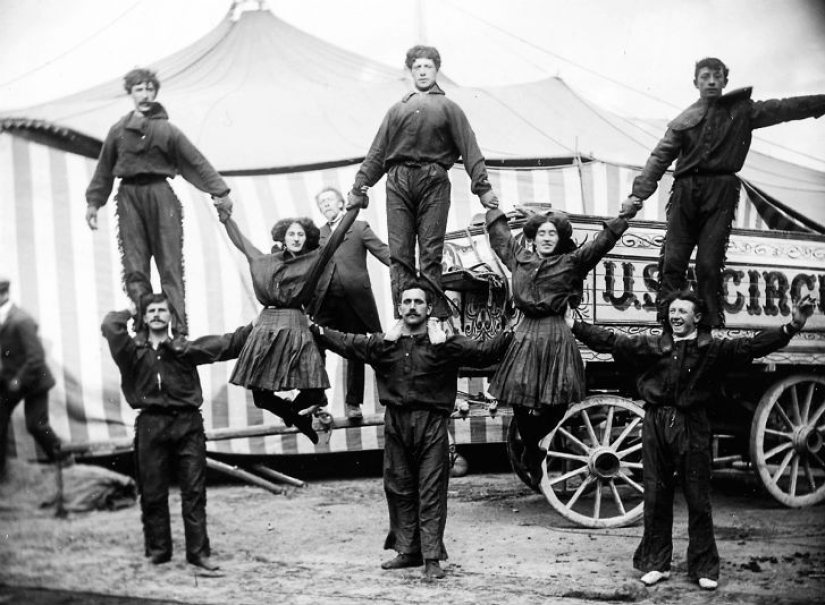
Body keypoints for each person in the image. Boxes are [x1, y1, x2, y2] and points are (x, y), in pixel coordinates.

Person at [566, 290, 816, 590]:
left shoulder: (713, 349)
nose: (675, 316)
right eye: (672, 311)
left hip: (692, 424)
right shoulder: (653, 345)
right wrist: (575, 325)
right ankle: (656, 563)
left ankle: (703, 567)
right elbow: (612, 342)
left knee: (698, 498)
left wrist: (792, 326)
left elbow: (751, 346)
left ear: (697, 317)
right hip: (656, 422)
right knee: (655, 496)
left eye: (682, 311)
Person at [311, 282, 512, 579]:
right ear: (399, 308)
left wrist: (513, 329)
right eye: (407, 302)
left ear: (429, 309)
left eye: (419, 302)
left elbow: (484, 353)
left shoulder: (445, 344)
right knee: (399, 488)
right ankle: (408, 551)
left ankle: (431, 558)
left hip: (431, 424)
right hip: (396, 423)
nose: (413, 307)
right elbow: (346, 342)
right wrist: (314, 329)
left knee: (431, 491)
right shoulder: (383, 344)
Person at [622, 57, 825, 328]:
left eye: (717, 76)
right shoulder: (683, 121)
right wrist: (637, 195)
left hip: (721, 193)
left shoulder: (743, 111)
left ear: (725, 81)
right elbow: (659, 157)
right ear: (696, 82)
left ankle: (708, 324)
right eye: (705, 76)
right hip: (685, 193)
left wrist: (821, 102)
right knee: (672, 262)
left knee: (709, 264)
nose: (711, 81)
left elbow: (785, 107)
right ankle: (668, 327)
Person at [347, 45, 499, 325]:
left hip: (434, 181)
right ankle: (402, 319)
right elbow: (378, 153)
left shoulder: (449, 108)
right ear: (410, 71)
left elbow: (470, 148)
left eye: (428, 66)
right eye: (417, 66)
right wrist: (359, 187)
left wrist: (483, 187)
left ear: (437, 70)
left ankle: (432, 319)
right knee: (400, 255)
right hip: (398, 182)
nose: (422, 71)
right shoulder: (397, 109)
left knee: (430, 252)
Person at [484, 204, 634, 485]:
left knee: (559, 402)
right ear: (533, 238)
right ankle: (533, 449)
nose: (547, 238)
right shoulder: (519, 257)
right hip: (526, 332)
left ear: (560, 238)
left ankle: (538, 444)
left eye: (552, 233)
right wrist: (489, 202)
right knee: (519, 400)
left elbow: (600, 245)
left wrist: (625, 215)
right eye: (542, 233)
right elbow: (501, 237)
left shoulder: (572, 262)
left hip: (557, 332)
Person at [101, 293, 252, 571]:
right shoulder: (131, 351)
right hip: (151, 424)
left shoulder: (184, 349)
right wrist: (130, 310)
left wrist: (258, 325)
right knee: (152, 491)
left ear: (170, 316)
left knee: (194, 491)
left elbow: (227, 344)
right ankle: (159, 550)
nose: (157, 315)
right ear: (144, 318)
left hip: (188, 424)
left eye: (162, 310)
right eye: (151, 311)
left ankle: (199, 554)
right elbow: (110, 326)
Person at [86, 67, 234, 339]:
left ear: (155, 93)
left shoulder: (167, 130)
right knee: (135, 265)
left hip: (160, 194)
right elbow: (104, 168)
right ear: (130, 93)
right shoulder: (118, 131)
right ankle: (143, 329)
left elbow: (195, 162)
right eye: (139, 89)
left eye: (149, 89)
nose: (144, 94)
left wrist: (220, 192)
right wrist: (94, 202)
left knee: (170, 264)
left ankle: (178, 330)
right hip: (128, 197)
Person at [216, 198, 365, 443]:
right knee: (260, 396)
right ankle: (297, 417)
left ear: (306, 239)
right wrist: (225, 218)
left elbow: (337, 236)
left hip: (296, 323)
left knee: (314, 391)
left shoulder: (314, 259)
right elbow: (241, 242)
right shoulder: (265, 261)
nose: (296, 238)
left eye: (300, 234)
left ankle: (296, 415)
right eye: (291, 234)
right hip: (266, 325)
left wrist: (354, 209)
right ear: (283, 238)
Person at [311, 187, 390, 420]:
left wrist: (406, 267)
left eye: (329, 200)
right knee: (314, 342)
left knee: (358, 349)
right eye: (321, 202)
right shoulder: (316, 235)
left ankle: (354, 404)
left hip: (355, 300)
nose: (326, 204)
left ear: (341, 203)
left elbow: (383, 251)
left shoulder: (359, 227)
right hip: (325, 301)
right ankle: (318, 401)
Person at [0, 277, 63, 478]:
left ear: (4, 294)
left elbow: (36, 358)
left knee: (36, 424)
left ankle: (65, 461)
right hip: (11, 381)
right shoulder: (3, 318)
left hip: (34, 380)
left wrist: (18, 380)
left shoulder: (21, 320)